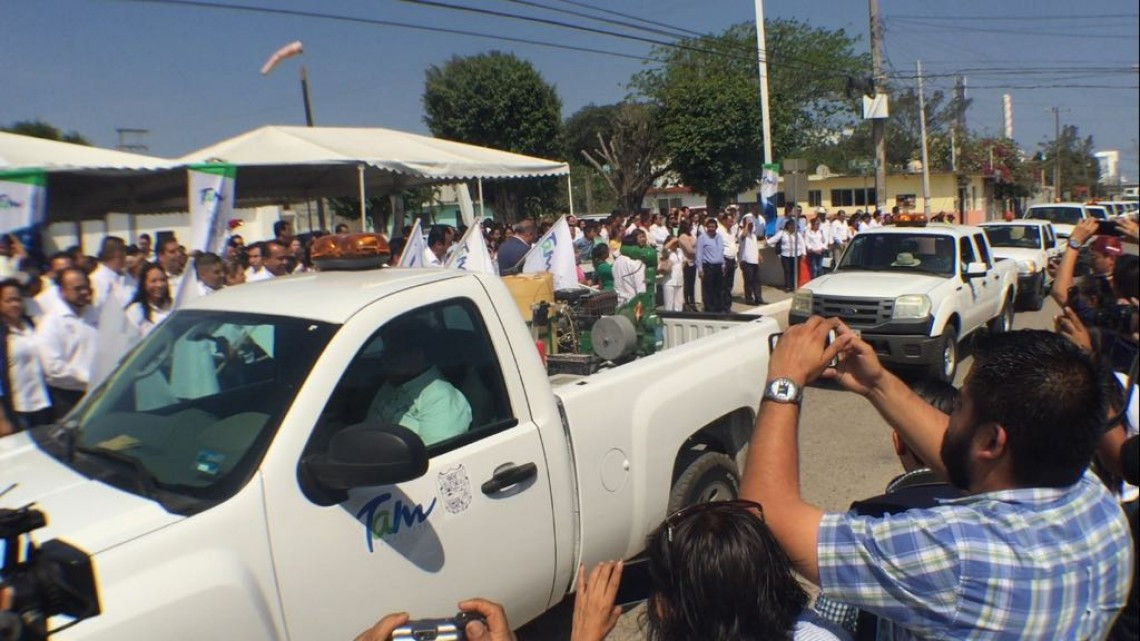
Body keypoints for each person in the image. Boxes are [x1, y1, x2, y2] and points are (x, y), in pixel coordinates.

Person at [742, 321, 1133, 639]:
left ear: (992, 442)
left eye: (960, 405)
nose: (951, 417)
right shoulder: (1096, 503)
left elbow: (766, 516)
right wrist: (877, 383)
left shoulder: (961, 555)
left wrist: (784, 381)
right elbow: (969, 457)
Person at [366, 320, 471, 446]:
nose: (384, 357)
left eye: (393, 352)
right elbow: (368, 429)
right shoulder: (391, 384)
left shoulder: (441, 398)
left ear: (417, 354)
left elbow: (438, 454)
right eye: (385, 351)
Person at [35, 267, 99, 419]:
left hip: (99, 392)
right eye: (78, 289)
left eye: (87, 287)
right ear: (62, 291)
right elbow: (53, 368)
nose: (84, 292)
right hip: (70, 398)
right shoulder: (51, 323)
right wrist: (88, 378)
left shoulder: (95, 314)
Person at [0, 279, 51, 433]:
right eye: (9, 300)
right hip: (18, 407)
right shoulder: (2, 334)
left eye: (18, 299)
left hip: (44, 402)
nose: (15, 304)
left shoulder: (32, 325)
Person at [124, 263, 172, 339]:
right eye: (153, 281)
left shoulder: (173, 306)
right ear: (144, 284)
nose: (159, 285)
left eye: (162, 280)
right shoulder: (135, 310)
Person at [89, 236, 133, 311]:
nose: (126, 255)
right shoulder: (95, 280)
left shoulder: (127, 276)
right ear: (117, 254)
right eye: (124, 251)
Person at [696, 218, 725, 313]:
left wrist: (723, 265)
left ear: (716, 227)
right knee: (708, 290)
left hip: (718, 267)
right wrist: (700, 269)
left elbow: (721, 252)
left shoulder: (719, 237)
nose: (711, 229)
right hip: (708, 267)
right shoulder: (702, 238)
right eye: (709, 227)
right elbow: (699, 254)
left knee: (719, 289)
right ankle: (709, 310)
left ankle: (719, 309)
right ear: (706, 227)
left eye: (713, 227)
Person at [768, 219, 806, 293]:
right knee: (787, 270)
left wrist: (803, 253)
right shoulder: (782, 233)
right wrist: (767, 242)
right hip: (785, 255)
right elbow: (773, 240)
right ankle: (788, 286)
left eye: (794, 226)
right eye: (791, 225)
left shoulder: (797, 234)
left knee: (795, 271)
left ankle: (795, 286)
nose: (793, 227)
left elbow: (802, 243)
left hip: (796, 255)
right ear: (788, 226)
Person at [612, 233, 646, 306]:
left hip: (619, 303)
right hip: (634, 304)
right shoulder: (636, 263)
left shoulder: (616, 262)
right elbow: (642, 290)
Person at [738, 214, 765, 305]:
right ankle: (749, 299)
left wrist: (759, 255)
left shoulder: (753, 235)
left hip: (754, 261)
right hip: (746, 261)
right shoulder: (741, 233)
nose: (751, 225)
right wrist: (746, 225)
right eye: (749, 224)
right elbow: (743, 236)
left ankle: (758, 298)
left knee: (757, 281)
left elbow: (755, 247)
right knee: (748, 281)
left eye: (752, 224)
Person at [660, 236, 684, 312]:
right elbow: (664, 249)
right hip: (669, 281)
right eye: (674, 242)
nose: (675, 244)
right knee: (669, 305)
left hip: (679, 280)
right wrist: (672, 240)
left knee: (679, 305)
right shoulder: (667, 252)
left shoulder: (680, 251)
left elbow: (684, 262)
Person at [678, 225, 698, 311]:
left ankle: (692, 302)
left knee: (691, 284)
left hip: (693, 262)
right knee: (687, 284)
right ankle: (686, 303)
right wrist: (698, 252)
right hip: (686, 262)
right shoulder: (683, 236)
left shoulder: (691, 235)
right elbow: (689, 250)